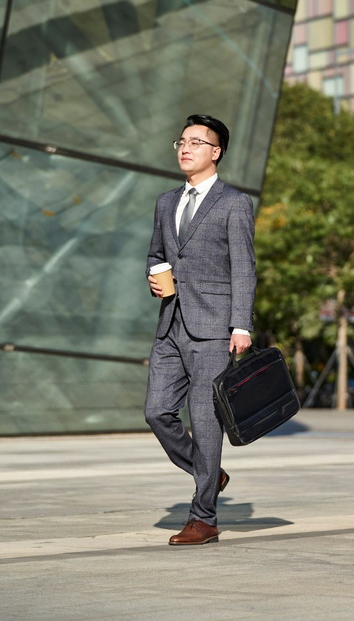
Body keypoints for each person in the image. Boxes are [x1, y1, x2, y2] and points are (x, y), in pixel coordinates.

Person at [144, 114, 256, 546]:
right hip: (171, 322)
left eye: (195, 142)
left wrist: (241, 324)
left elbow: (244, 268)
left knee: (207, 424)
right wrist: (155, 276)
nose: (185, 148)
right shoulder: (165, 201)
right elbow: (156, 253)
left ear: (216, 152)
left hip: (213, 326)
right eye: (181, 141)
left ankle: (203, 517)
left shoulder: (234, 203)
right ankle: (210, 472)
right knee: (157, 411)